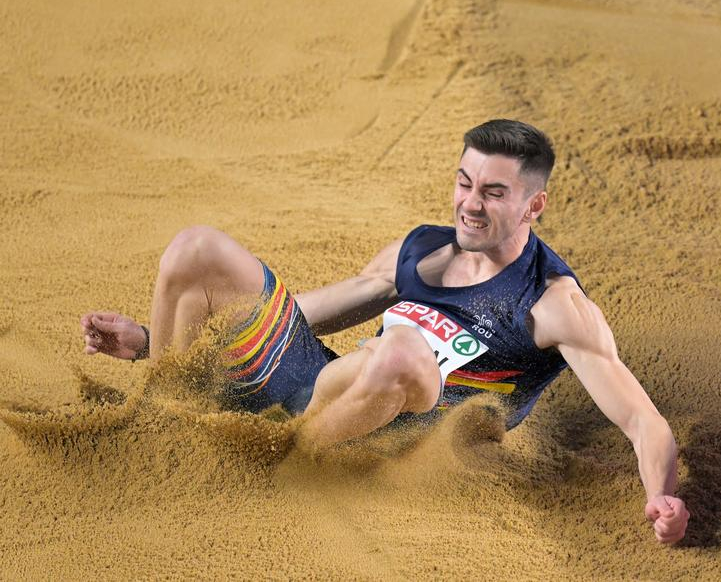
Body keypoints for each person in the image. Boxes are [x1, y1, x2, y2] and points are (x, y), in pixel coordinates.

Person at [80, 119, 689, 544]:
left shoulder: (554, 304)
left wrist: (664, 498)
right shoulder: (420, 250)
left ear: (535, 205)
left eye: (494, 192)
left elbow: (644, 423)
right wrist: (149, 341)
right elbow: (307, 313)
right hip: (327, 387)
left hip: (382, 442)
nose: (470, 204)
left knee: (401, 352)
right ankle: (158, 424)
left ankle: (285, 468)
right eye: (464, 182)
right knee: (197, 248)